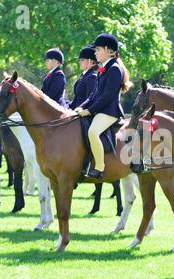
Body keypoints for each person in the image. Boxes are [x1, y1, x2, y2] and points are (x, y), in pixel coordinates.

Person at [75, 33, 132, 178]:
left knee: (93, 132)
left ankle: (99, 167)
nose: (95, 53)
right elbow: (94, 94)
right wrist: (82, 107)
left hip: (110, 112)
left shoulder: (114, 68)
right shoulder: (103, 68)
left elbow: (107, 96)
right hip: (101, 110)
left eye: (98, 50)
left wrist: (90, 110)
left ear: (109, 50)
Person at [68, 46, 98, 110]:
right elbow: (75, 100)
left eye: (82, 60)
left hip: (84, 113)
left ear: (91, 62)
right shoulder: (83, 76)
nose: (79, 62)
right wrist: (66, 107)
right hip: (76, 111)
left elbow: (90, 99)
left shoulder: (92, 77)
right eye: (80, 60)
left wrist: (80, 108)